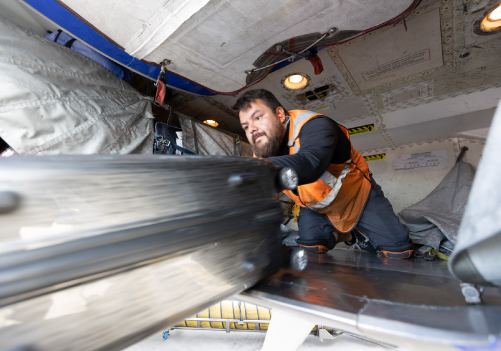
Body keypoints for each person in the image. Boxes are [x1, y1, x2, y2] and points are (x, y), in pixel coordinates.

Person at [232, 89, 413, 258]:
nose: (252, 129)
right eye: (246, 126)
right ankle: (347, 236)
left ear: (280, 114)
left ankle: (358, 233)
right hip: (314, 207)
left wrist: (254, 169)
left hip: (358, 197)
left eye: (258, 117)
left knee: (400, 251)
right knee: (311, 249)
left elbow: (311, 163)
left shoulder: (315, 125)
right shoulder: (261, 152)